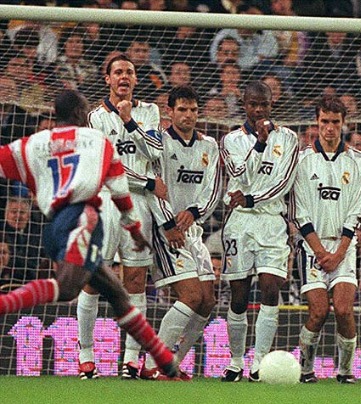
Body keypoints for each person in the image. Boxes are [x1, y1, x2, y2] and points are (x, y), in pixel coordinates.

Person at [0, 89, 178, 379]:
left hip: (54, 226)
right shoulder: (98, 140)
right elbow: (119, 190)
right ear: (79, 113)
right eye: (85, 109)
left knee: (117, 294)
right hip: (83, 218)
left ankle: (163, 358)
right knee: (68, 288)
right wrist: (134, 229)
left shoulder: (32, 144)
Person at [76, 54, 168, 380]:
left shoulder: (149, 112)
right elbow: (104, 167)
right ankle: (86, 355)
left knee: (136, 282)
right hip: (106, 202)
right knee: (94, 280)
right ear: (108, 79)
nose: (124, 77)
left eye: (129, 71)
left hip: (139, 206)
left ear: (135, 78)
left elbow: (155, 151)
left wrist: (130, 121)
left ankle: (130, 358)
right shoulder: (95, 117)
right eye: (117, 72)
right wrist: (147, 182)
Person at [140, 85, 222, 380]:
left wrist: (195, 213)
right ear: (170, 112)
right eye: (182, 109)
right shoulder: (159, 144)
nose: (188, 115)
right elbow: (154, 187)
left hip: (194, 231)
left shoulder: (209, 146)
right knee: (191, 295)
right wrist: (168, 224)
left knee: (207, 301)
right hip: (166, 232)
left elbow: (213, 189)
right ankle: (153, 364)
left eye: (193, 110)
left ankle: (173, 364)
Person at [219, 80, 299, 382]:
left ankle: (259, 363)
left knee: (270, 288)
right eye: (253, 104)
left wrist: (252, 198)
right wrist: (260, 144)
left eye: (263, 104)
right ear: (244, 105)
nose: (258, 110)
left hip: (271, 221)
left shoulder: (289, 138)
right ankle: (236, 361)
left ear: (271, 104)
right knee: (239, 295)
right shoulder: (230, 140)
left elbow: (284, 182)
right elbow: (238, 173)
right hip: (240, 222)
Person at [289, 95, 361, 384]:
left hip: (343, 245)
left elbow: (358, 210)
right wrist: (321, 251)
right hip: (312, 245)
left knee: (344, 310)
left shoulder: (358, 160)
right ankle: (306, 369)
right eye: (325, 121)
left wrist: (338, 253)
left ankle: (345, 371)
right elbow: (299, 211)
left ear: (343, 123)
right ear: (317, 122)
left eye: (335, 122)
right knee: (319, 311)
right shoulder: (301, 160)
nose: (330, 127)